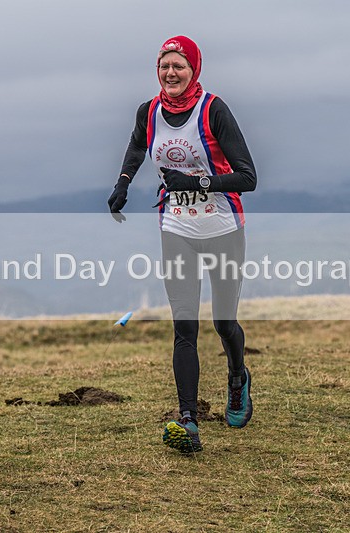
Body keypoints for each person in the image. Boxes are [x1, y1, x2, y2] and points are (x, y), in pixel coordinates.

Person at [107, 35, 257, 454]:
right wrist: (123, 183)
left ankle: (237, 378)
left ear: (194, 70)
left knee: (224, 323)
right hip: (177, 229)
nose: (170, 73)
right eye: (164, 66)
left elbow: (248, 177)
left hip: (224, 227)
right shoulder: (150, 111)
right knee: (184, 327)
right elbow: (139, 142)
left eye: (179, 66)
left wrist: (197, 182)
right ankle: (188, 420)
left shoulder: (214, 110)